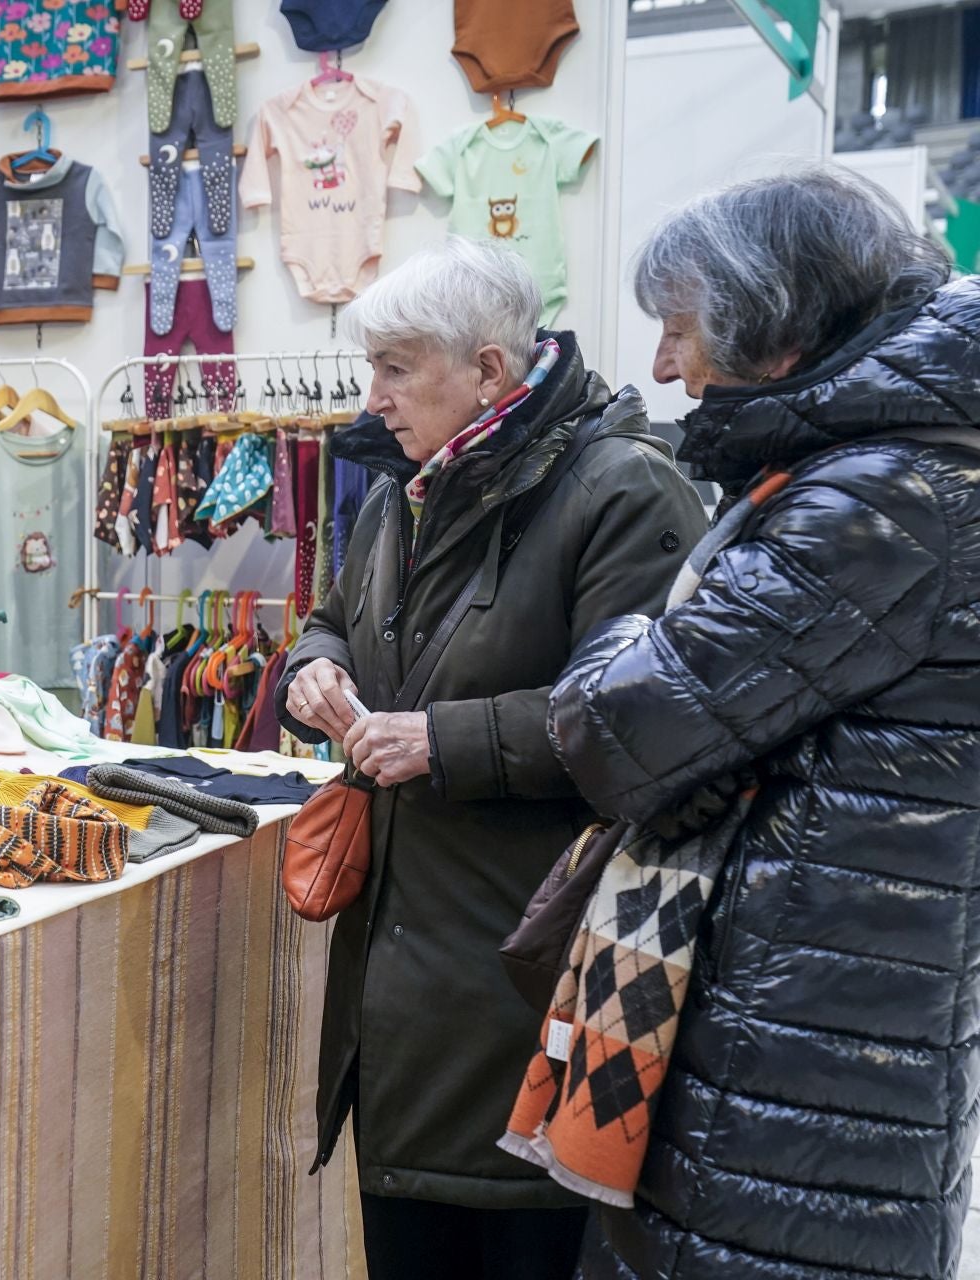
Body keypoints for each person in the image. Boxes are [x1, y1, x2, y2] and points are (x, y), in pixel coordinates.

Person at [549, 169, 979, 1279]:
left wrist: (616, 634)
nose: (660, 366)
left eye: (679, 328)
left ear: (775, 328)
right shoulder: (882, 472)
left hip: (798, 1055)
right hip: (820, 1026)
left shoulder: (872, 498)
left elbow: (611, 726)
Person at [273, 237, 706, 1279]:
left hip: (531, 985)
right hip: (405, 987)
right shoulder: (406, 487)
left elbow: (648, 723)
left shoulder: (624, 494)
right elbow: (332, 621)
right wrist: (312, 671)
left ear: (488, 371)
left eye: (394, 366)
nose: (370, 394)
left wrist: (442, 740)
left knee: (520, 1241)